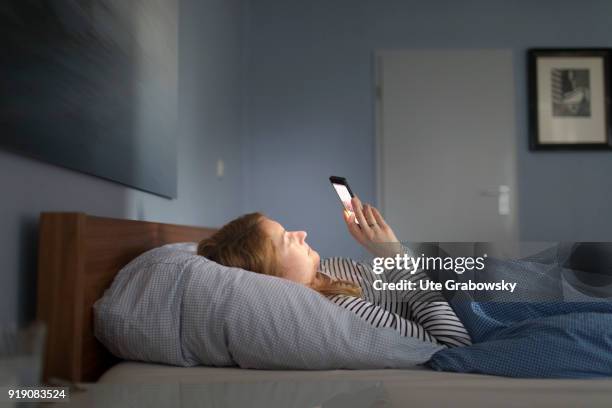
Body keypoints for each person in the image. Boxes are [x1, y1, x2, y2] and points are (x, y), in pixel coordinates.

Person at [197, 196, 471, 348]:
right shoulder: (340, 309)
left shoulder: (325, 270)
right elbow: (453, 342)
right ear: (271, 276)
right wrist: (394, 255)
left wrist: (381, 248)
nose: (302, 234)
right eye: (286, 240)